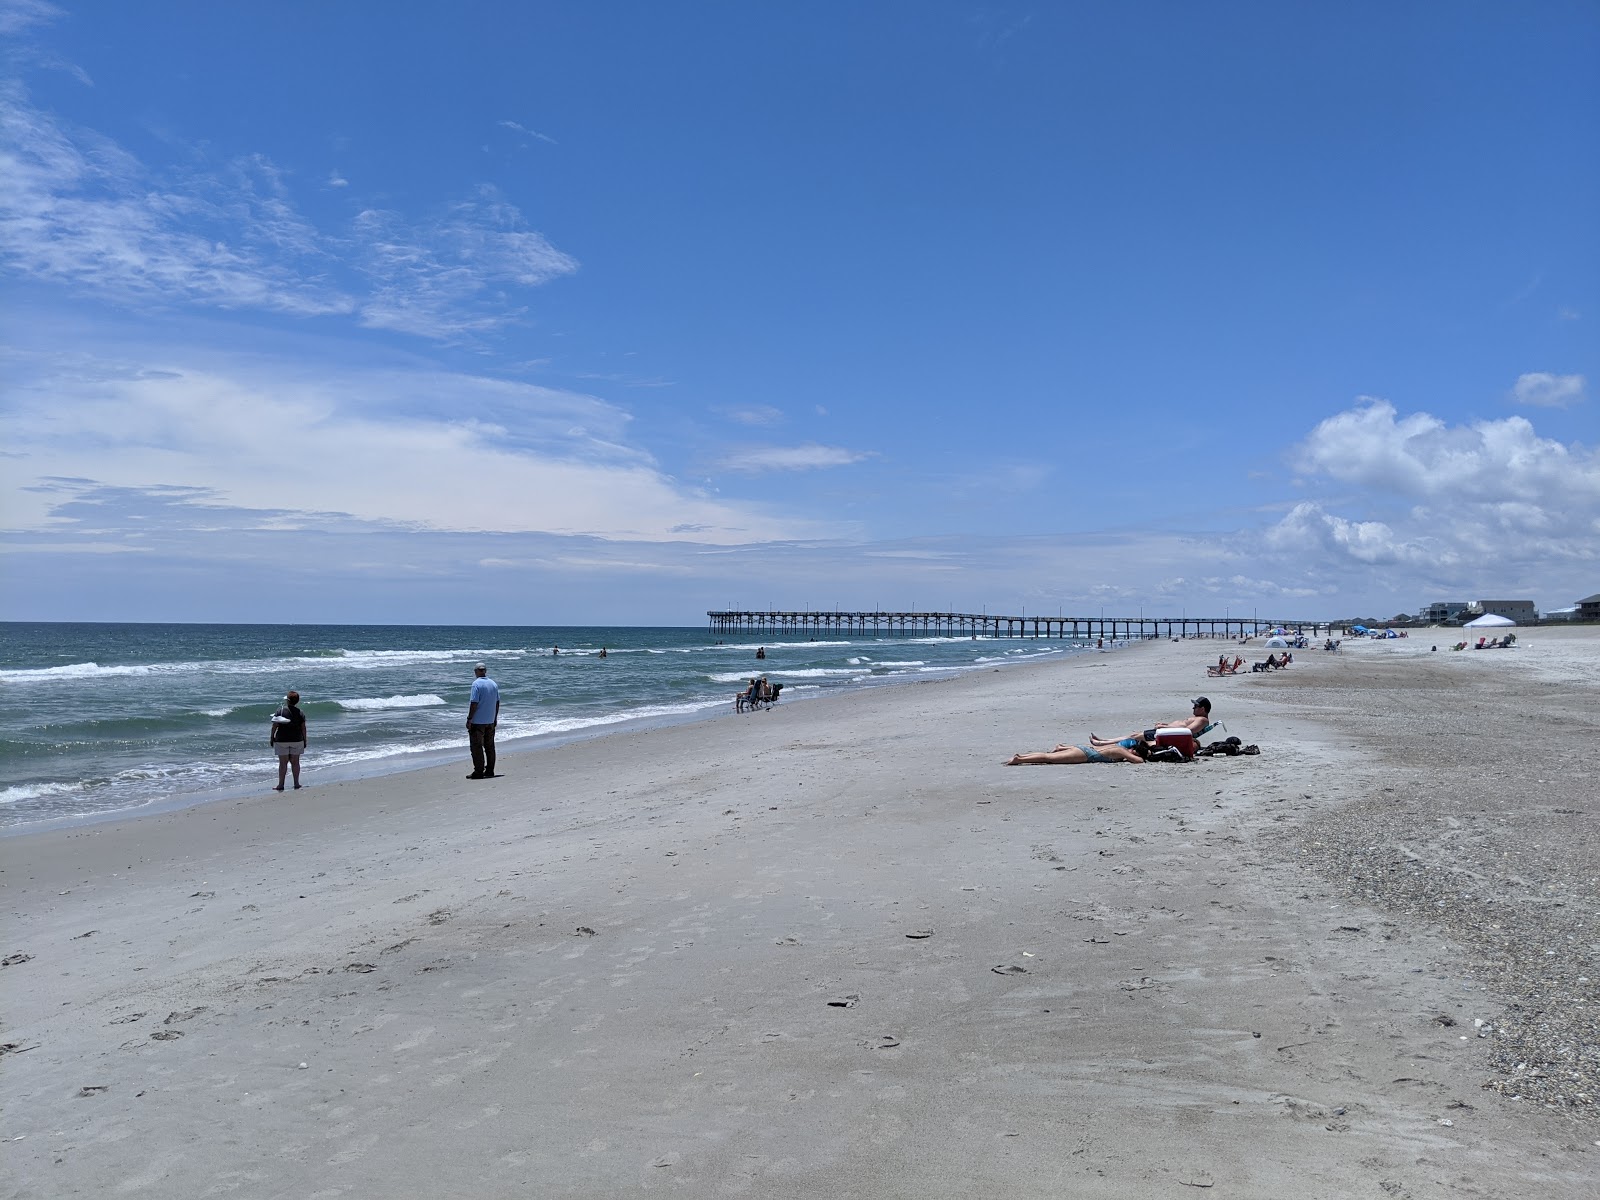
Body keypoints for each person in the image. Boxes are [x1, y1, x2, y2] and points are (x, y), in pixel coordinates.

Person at [1089, 697, 1212, 748]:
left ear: (1202, 709)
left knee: (1134, 737)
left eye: (1195, 706)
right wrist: (1165, 725)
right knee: (1135, 735)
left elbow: (1187, 731)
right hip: (1165, 731)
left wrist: (1165, 727)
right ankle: (1105, 741)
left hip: (1167, 735)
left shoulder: (1202, 720)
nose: (1193, 708)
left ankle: (1103, 743)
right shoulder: (1198, 718)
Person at [466, 662, 500, 779]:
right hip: (490, 720)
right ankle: (490, 770)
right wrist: (495, 718)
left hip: (478, 722)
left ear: (476, 672)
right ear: (485, 671)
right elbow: (497, 702)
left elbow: (474, 703)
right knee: (490, 746)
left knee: (476, 747)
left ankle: (479, 771)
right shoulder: (493, 684)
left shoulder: (476, 684)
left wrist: (469, 718)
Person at [1008, 738, 1151, 766]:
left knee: (1050, 757)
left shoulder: (1120, 748)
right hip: (1085, 755)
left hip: (1084, 750)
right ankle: (1020, 759)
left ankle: (1022, 757)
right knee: (1049, 758)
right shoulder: (1123, 751)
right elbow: (1139, 761)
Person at [269, 690, 307, 791]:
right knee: (295, 762)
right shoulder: (300, 713)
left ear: (288, 701)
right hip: (297, 739)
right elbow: (303, 728)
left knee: (283, 763)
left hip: (282, 740)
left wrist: (272, 737)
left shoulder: (280, 711)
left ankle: (281, 785)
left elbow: (275, 726)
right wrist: (305, 740)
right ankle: (296, 783)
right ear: (297, 701)